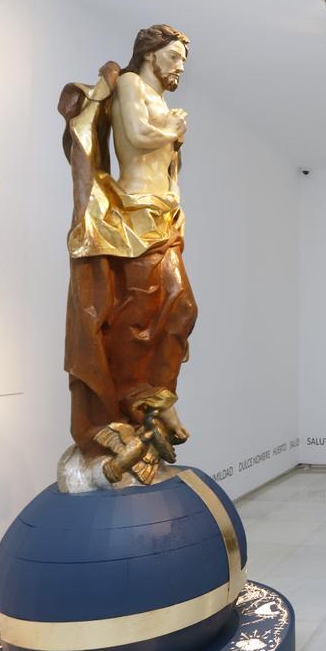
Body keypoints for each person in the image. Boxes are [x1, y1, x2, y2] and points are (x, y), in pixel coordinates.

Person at [59, 25, 197, 487]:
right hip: (135, 217)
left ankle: (154, 400)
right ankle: (132, 405)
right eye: (174, 56)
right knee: (138, 320)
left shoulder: (159, 98)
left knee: (175, 309)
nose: (180, 65)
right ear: (151, 54)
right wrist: (173, 126)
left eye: (182, 58)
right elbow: (136, 136)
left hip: (163, 217)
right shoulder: (133, 85)